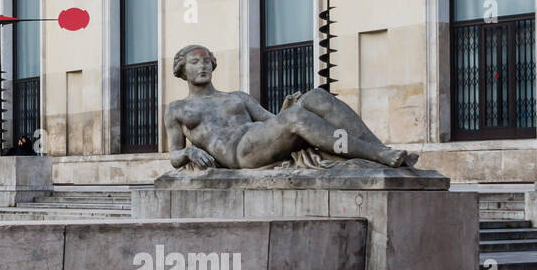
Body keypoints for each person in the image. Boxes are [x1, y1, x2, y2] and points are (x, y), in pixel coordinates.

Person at [165, 43, 417, 170]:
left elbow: (270, 120)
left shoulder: (237, 97)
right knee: (295, 117)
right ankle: (377, 155)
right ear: (182, 69)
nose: (203, 66)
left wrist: (285, 110)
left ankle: (382, 149)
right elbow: (174, 155)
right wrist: (188, 153)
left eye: (206, 61)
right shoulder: (177, 109)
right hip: (239, 153)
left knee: (316, 96)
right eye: (195, 62)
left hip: (259, 137)